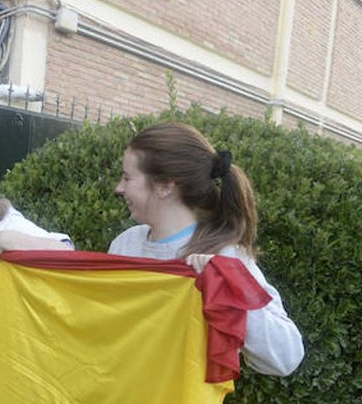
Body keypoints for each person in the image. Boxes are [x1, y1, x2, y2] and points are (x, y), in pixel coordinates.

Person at [108, 121, 304, 377]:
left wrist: (228, 290)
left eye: (127, 177)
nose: (119, 188)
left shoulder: (224, 257)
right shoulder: (126, 244)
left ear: (166, 185)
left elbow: (287, 357)